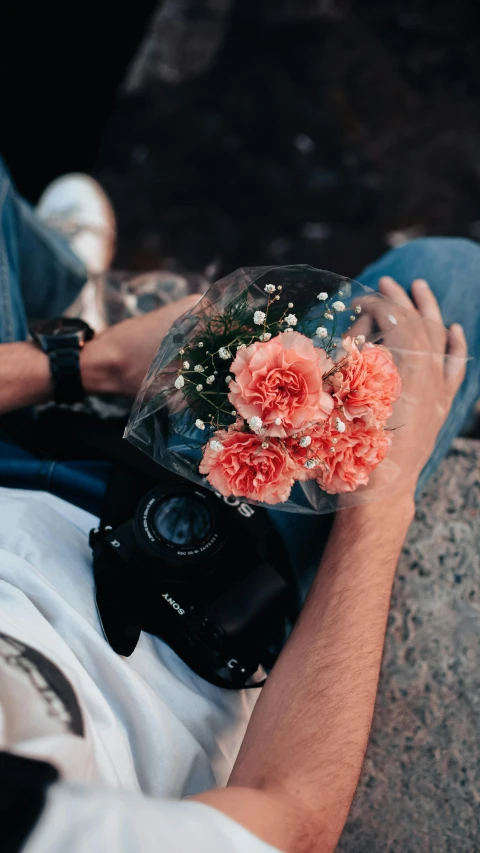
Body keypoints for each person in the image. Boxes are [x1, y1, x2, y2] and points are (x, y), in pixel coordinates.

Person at [0, 155, 478, 853]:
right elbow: (291, 818)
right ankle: (69, 286)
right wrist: (380, 500)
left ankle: (73, 298)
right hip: (190, 601)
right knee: (448, 279)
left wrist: (80, 360)